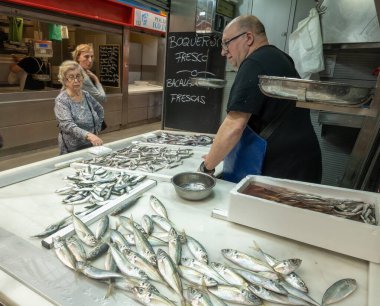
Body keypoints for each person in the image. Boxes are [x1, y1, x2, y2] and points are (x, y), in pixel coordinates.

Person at [199, 15, 322, 184]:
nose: (223, 51)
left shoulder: (254, 63)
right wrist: (216, 153)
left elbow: (234, 125)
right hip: (303, 162)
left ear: (248, 38)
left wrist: (207, 166)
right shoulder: (281, 58)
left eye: (227, 42)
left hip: (281, 169)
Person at [54, 60, 104, 155]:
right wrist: (89, 135)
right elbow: (67, 125)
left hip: (90, 145)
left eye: (78, 76)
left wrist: (96, 128)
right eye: (71, 77)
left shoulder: (86, 95)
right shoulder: (61, 100)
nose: (76, 80)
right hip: (71, 148)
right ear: (64, 80)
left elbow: (100, 109)